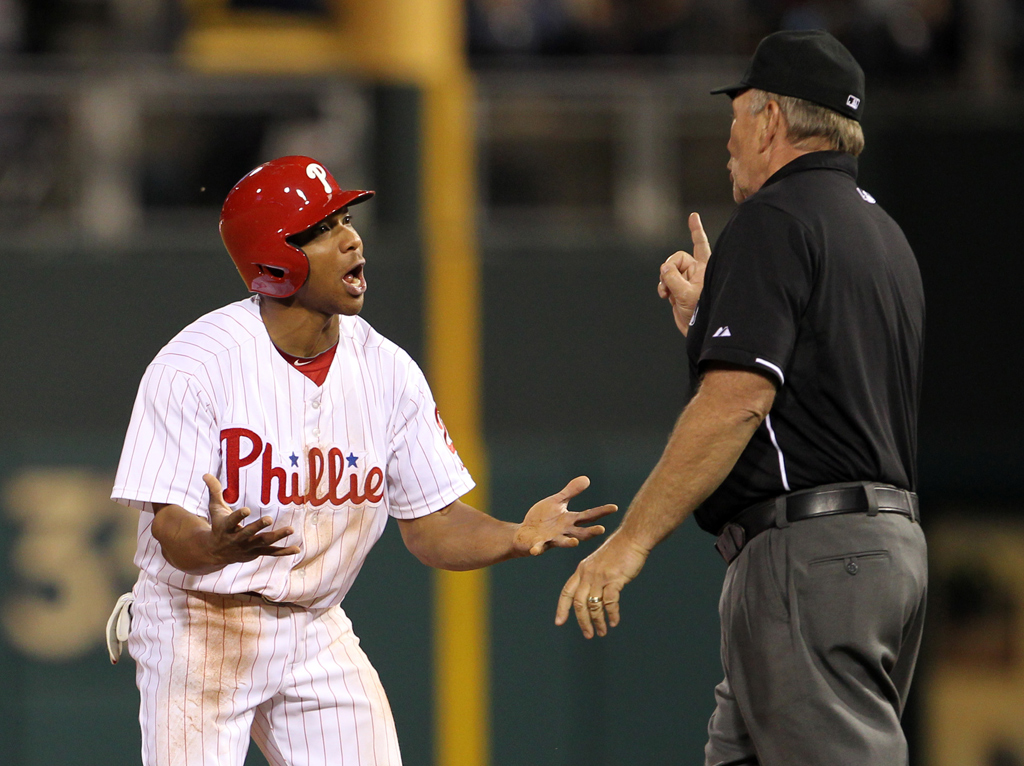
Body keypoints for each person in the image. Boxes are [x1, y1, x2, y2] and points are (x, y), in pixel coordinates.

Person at [106, 155, 615, 766]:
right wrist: (214, 547)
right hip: (197, 622)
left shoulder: (387, 371)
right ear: (274, 258)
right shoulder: (195, 365)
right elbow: (172, 531)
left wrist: (514, 535)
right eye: (323, 228)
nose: (351, 238)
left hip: (314, 624)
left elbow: (432, 526)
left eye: (346, 219)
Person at [555, 30, 927, 765]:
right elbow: (817, 388)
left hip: (813, 558)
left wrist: (628, 545)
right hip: (879, 551)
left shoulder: (776, 218)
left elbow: (737, 402)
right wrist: (710, 322)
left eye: (738, 112)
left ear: (771, 121)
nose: (728, 134)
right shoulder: (880, 233)